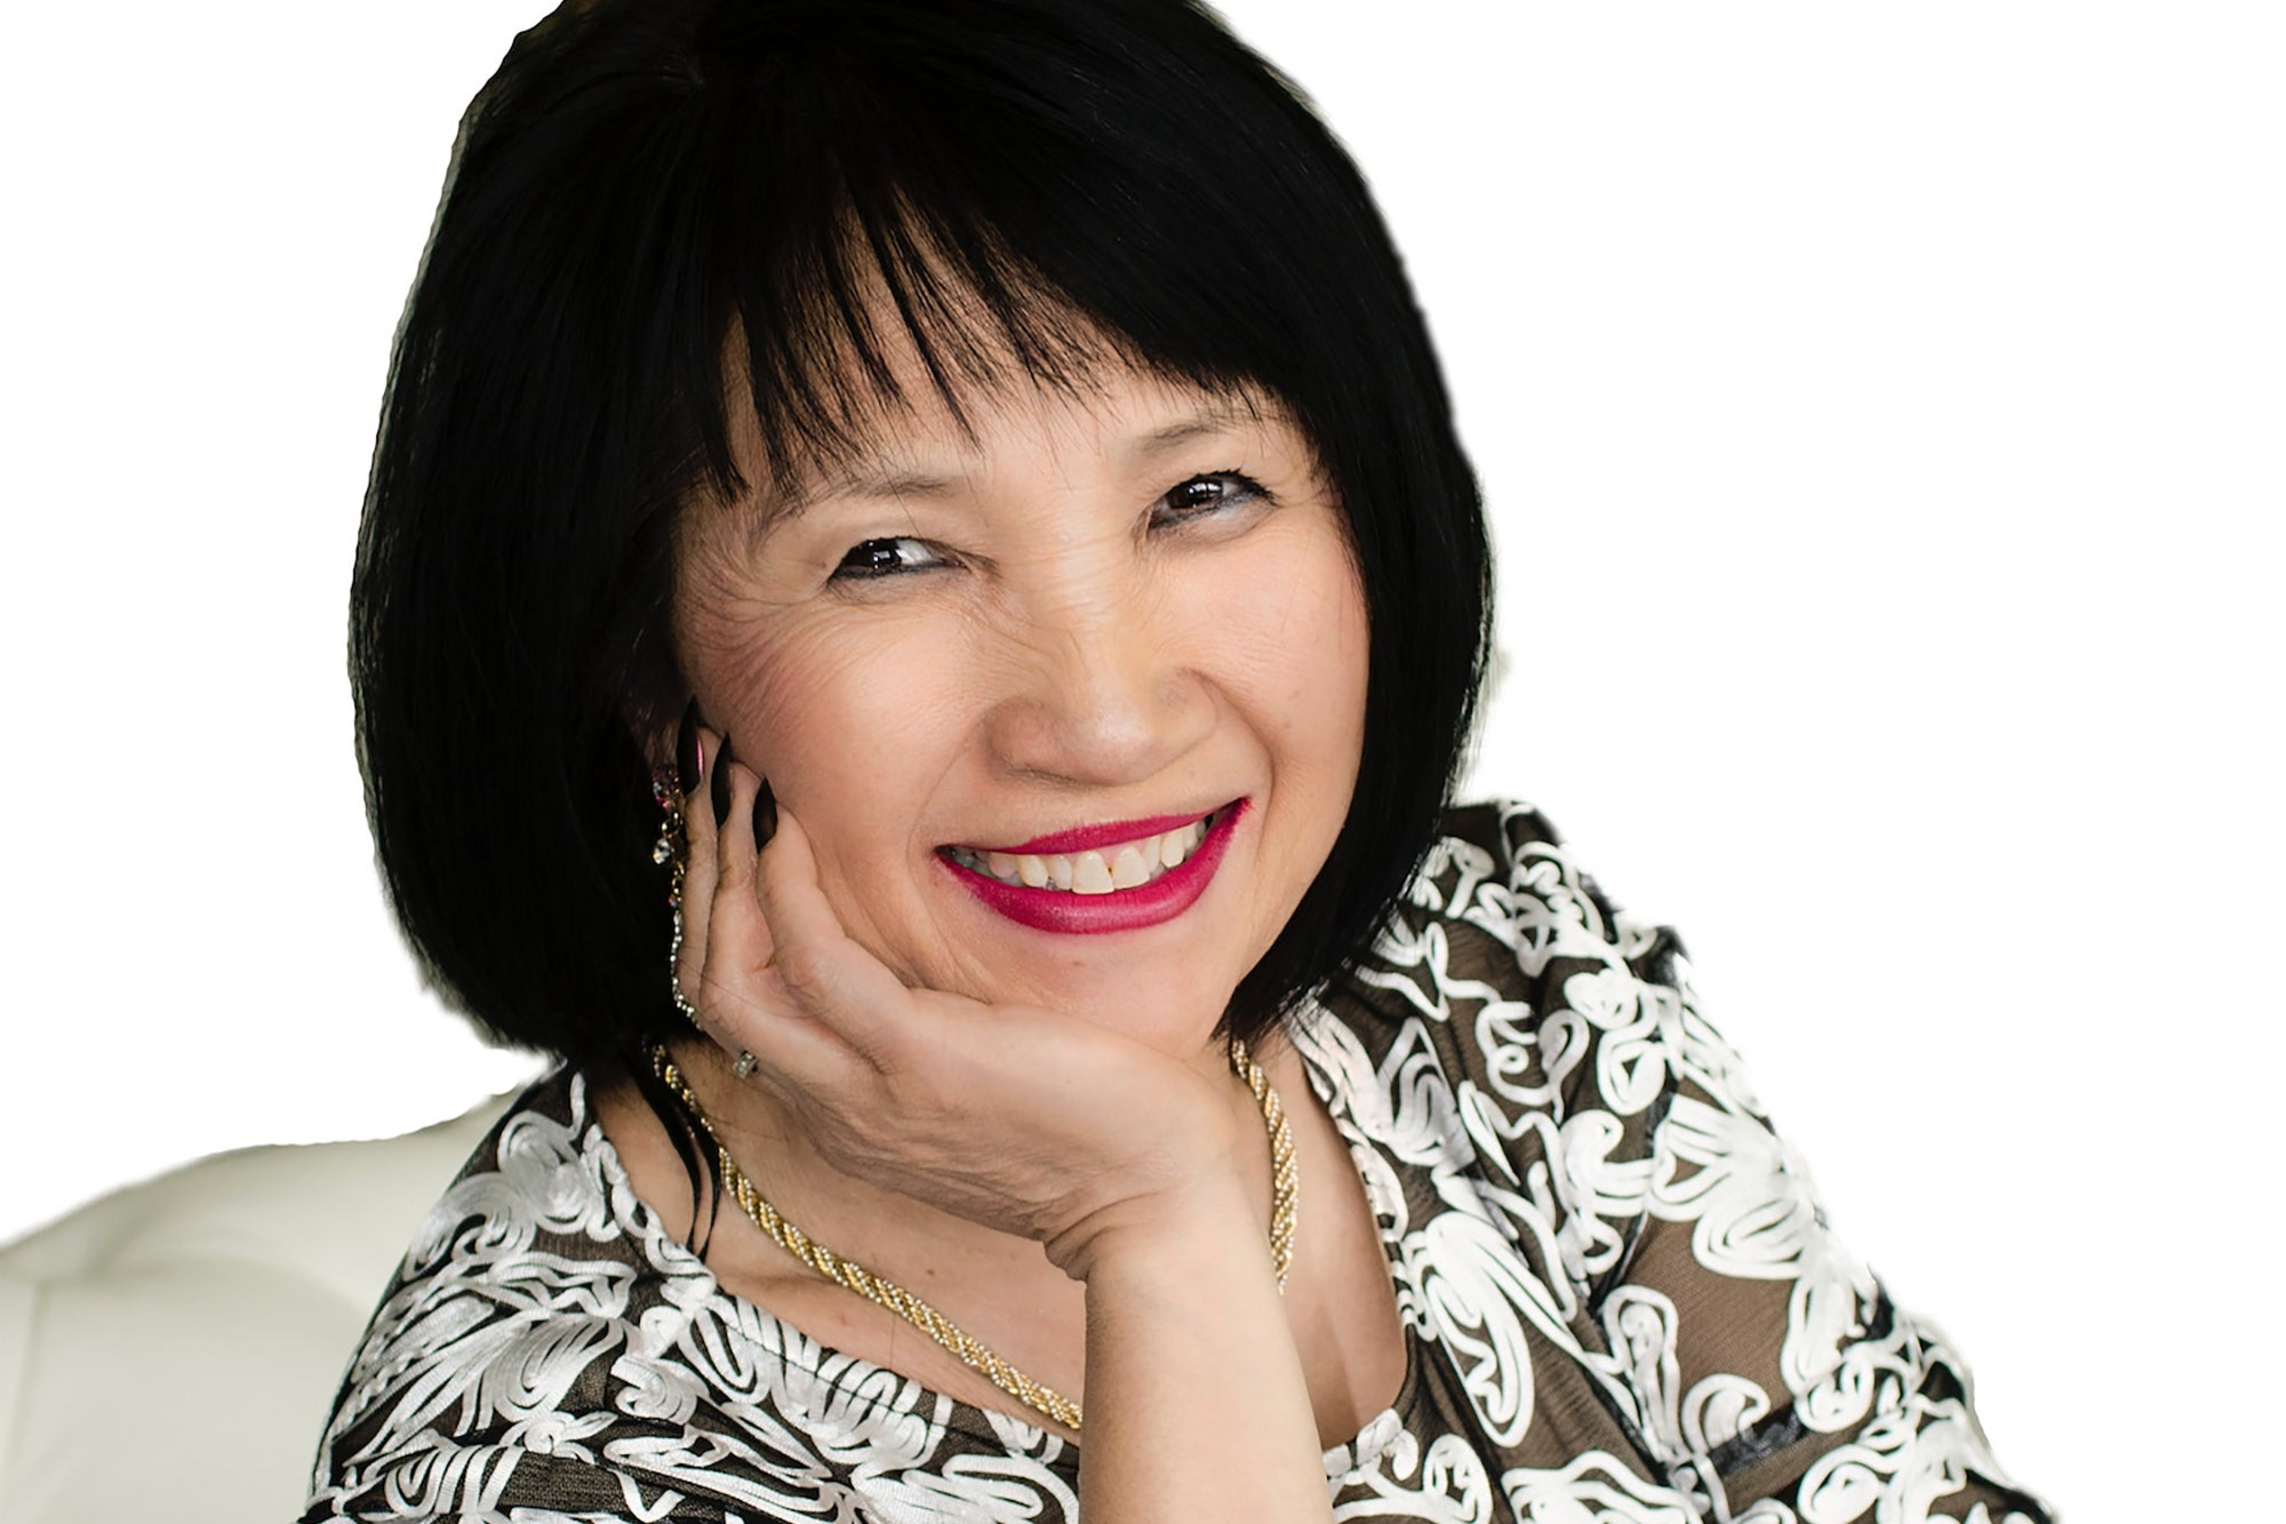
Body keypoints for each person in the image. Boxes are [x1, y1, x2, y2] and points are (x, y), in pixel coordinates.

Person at [305, 1, 2050, 1519]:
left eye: (1201, 493)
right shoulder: (536, 1447)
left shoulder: (1489, 986)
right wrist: (1152, 1225)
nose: (1108, 719)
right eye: (892, 555)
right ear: (633, 665)